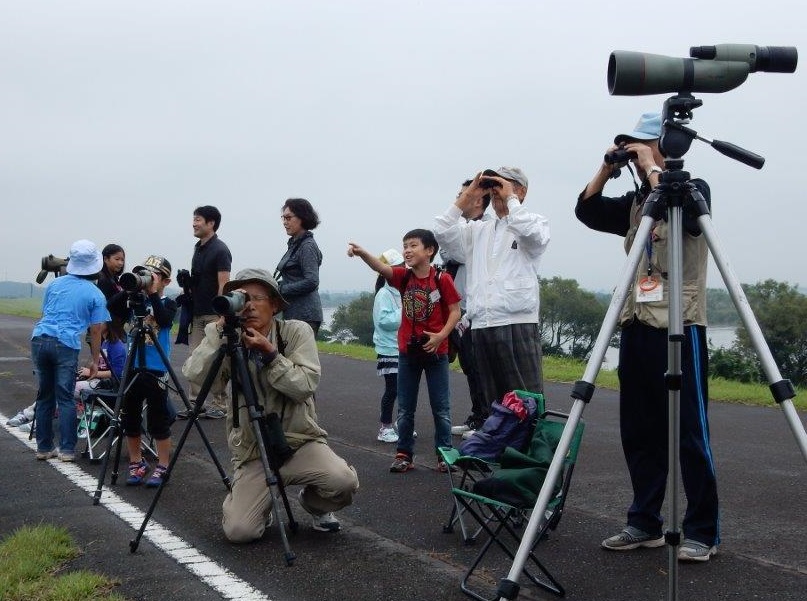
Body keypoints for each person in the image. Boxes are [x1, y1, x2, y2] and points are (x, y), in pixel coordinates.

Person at [575, 112, 719, 562]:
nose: (635, 154)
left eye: (640, 144)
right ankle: (644, 521)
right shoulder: (639, 202)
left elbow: (689, 221)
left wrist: (654, 167)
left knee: (689, 432)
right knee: (639, 431)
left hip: (681, 325)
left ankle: (702, 530)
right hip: (638, 325)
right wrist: (607, 165)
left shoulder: (693, 190)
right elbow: (586, 209)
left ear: (666, 143)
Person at [182, 268, 359, 542]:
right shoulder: (228, 338)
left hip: (300, 441)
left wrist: (271, 355)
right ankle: (259, 505)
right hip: (254, 449)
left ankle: (314, 505)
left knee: (343, 483)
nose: (249, 306)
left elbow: (304, 386)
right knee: (240, 532)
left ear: (275, 305)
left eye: (257, 298)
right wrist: (218, 331)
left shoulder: (294, 332)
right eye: (241, 298)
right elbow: (196, 377)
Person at [433, 167, 550, 437]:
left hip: (516, 321)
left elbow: (533, 237)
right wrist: (469, 195)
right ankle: (496, 449)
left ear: (521, 191)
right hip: (482, 322)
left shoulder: (533, 221)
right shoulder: (478, 230)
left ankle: (533, 455)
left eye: (504, 185)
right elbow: (442, 231)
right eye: (493, 186)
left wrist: (510, 201)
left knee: (526, 396)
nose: (496, 191)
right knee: (493, 399)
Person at [348, 229, 461, 473]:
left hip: (436, 352)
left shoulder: (442, 279)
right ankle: (404, 455)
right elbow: (381, 267)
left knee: (441, 407)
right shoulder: (403, 277)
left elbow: (455, 311)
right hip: (407, 353)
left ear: (429, 250)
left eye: (413, 246)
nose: (407, 251)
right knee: (405, 407)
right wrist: (361, 252)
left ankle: (444, 455)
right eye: (405, 246)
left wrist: (442, 335)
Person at [30, 239, 110, 461]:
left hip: (39, 338)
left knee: (45, 396)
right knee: (65, 397)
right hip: (65, 343)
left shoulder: (55, 285)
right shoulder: (95, 294)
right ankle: (66, 449)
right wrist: (95, 360)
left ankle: (44, 448)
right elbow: (96, 331)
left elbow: (46, 311)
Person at [108, 255, 178, 487]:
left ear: (166, 281)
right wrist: (130, 288)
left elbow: (165, 320)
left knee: (158, 420)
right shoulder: (133, 301)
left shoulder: (168, 302)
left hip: (156, 370)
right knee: (130, 418)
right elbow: (111, 306)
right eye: (144, 274)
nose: (147, 279)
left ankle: (163, 465)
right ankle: (136, 463)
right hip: (133, 367)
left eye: (153, 275)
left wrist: (154, 293)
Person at [440, 178, 492, 439]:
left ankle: (486, 421)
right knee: (470, 367)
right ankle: (477, 417)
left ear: (480, 198)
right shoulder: (465, 226)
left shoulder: (483, 228)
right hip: (458, 308)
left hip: (473, 311)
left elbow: (455, 251)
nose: (458, 199)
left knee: (479, 367)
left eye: (464, 194)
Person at [181, 205, 232, 419]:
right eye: (193, 219)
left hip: (214, 314)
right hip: (198, 312)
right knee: (195, 357)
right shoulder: (198, 248)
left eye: (198, 219)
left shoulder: (221, 250)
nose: (194, 223)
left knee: (215, 360)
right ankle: (196, 403)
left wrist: (223, 315)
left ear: (211, 223)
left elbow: (224, 284)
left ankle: (220, 404)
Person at [276, 198, 324, 335]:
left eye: (288, 218)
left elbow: (312, 281)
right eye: (283, 218)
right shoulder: (295, 244)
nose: (285, 222)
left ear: (302, 217)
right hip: (294, 313)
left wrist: (282, 289)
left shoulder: (307, 246)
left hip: (305, 315)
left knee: (299, 356)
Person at [372, 248, 405, 444]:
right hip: (389, 349)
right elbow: (384, 321)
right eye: (398, 267)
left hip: (402, 348)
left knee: (405, 390)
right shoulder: (383, 294)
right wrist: (405, 311)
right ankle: (385, 427)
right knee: (392, 389)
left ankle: (402, 423)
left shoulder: (400, 291)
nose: (402, 270)